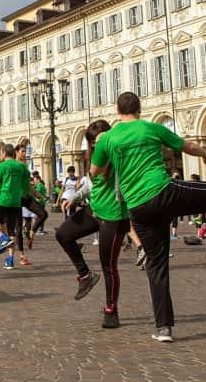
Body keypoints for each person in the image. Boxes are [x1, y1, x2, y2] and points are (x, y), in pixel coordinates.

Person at [90, 93, 206, 343]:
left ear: (116, 109)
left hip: (138, 208)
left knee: (156, 264)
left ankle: (163, 327)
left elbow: (95, 172)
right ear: (139, 109)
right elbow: (187, 146)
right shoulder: (151, 128)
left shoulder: (107, 139)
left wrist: (103, 150)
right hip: (163, 192)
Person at [55, 119, 134, 328]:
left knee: (108, 266)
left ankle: (111, 309)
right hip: (94, 210)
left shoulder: (119, 154)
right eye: (93, 142)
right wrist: (75, 197)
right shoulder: (94, 157)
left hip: (114, 216)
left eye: (101, 140)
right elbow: (91, 182)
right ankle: (85, 275)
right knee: (63, 234)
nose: (98, 145)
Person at [0, 144, 30, 270]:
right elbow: (26, 184)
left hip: (3, 200)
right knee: (12, 230)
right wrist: (21, 193)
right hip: (16, 202)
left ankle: (2, 238)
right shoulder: (21, 166)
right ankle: (10, 260)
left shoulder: (2, 166)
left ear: (3, 152)